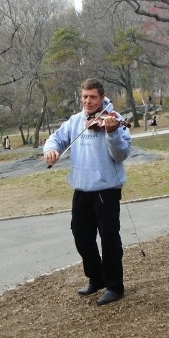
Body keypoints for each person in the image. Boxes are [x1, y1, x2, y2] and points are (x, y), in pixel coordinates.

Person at [43, 78, 131, 306]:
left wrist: (111, 133)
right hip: (81, 189)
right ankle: (96, 277)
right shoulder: (75, 121)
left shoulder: (115, 120)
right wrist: (51, 150)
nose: (88, 101)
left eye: (92, 97)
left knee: (109, 239)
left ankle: (115, 285)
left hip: (106, 189)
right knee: (81, 236)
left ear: (102, 97)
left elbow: (121, 155)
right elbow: (56, 139)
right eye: (84, 97)